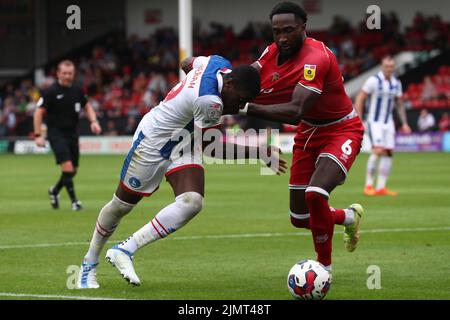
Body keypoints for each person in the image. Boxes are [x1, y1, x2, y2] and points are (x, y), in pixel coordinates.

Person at [76, 55, 287, 288]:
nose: (238, 107)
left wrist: (184, 94)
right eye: (239, 100)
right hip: (153, 144)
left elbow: (187, 62)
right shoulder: (209, 101)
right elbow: (214, 148)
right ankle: (89, 263)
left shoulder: (216, 62)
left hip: (185, 142)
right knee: (121, 206)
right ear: (229, 85)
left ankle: (125, 249)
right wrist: (259, 152)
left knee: (192, 201)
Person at [239, 1, 364, 272]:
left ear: (303, 27)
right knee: (299, 217)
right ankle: (348, 216)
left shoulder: (315, 58)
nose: (282, 37)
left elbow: (296, 111)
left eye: (289, 30)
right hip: (309, 133)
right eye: (276, 31)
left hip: (341, 128)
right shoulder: (272, 51)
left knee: (316, 194)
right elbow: (250, 77)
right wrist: (220, 82)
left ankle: (323, 268)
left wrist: (244, 105)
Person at [33, 60, 102, 211]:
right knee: (68, 168)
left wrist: (94, 121)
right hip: (56, 134)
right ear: (58, 73)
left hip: (72, 134)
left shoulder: (77, 90)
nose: (67, 76)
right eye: (64, 73)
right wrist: (38, 135)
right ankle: (74, 202)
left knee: (73, 170)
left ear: (74, 74)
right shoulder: (50, 91)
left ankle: (55, 191)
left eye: (70, 73)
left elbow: (87, 106)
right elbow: (38, 112)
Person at [355, 55, 411, 196]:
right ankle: (368, 186)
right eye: (386, 66)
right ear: (382, 66)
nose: (389, 69)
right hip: (374, 122)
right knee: (378, 150)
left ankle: (381, 187)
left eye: (391, 66)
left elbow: (399, 104)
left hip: (388, 122)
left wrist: (404, 123)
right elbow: (360, 98)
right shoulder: (374, 80)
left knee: (389, 153)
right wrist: (359, 119)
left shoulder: (396, 83)